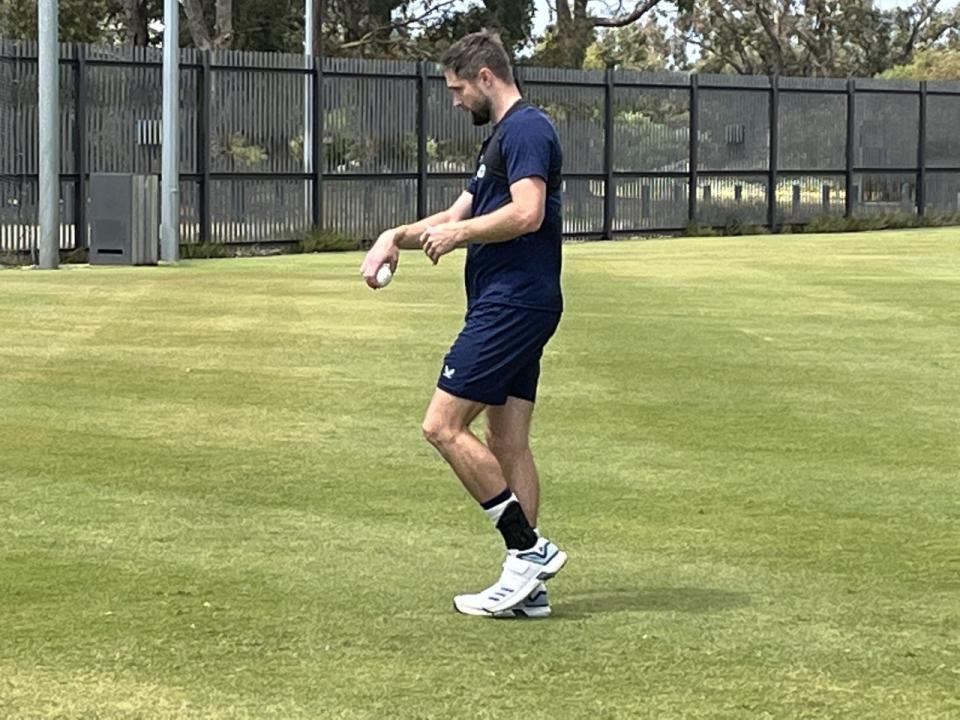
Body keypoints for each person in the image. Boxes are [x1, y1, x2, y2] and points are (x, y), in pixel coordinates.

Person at [360, 30, 566, 618]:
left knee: (442, 426)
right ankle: (530, 590)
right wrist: (393, 237)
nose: (454, 102)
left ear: (484, 77)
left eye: (456, 89)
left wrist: (459, 236)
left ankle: (528, 551)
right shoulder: (501, 139)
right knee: (508, 441)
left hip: (513, 302)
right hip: (517, 302)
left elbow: (526, 214)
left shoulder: (527, 129)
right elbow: (456, 213)